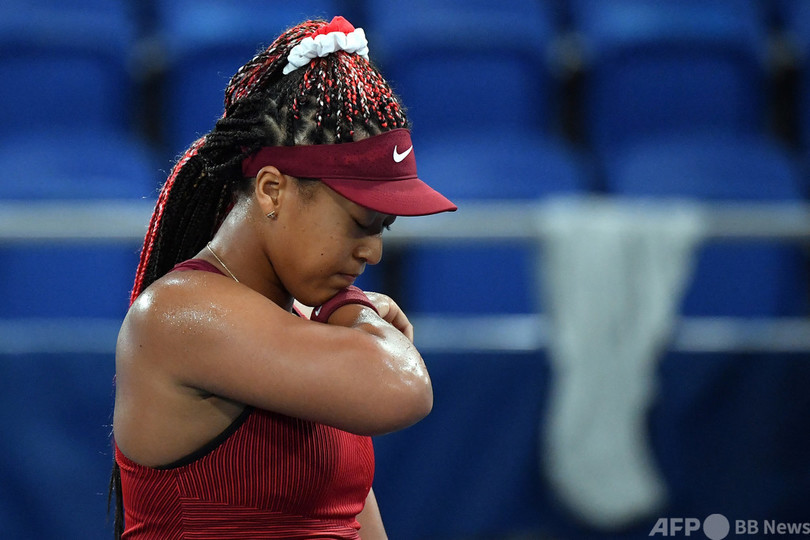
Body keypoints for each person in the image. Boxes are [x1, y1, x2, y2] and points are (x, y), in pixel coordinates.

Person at [109, 15, 456, 540]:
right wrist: (353, 308)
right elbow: (404, 387)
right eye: (359, 222)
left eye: (382, 228)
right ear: (272, 190)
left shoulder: (306, 339)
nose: (374, 251)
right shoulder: (179, 314)